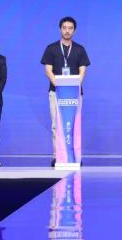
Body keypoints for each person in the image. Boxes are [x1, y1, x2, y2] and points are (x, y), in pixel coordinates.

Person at [41, 16, 90, 166]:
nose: (67, 31)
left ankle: (74, 156)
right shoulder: (51, 48)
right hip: (55, 92)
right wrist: (59, 86)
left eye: (70, 28)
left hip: (75, 94)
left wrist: (73, 86)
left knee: (73, 125)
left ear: (74, 30)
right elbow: (48, 70)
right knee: (56, 125)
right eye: (64, 28)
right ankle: (58, 156)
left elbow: (83, 71)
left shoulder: (80, 49)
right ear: (60, 29)